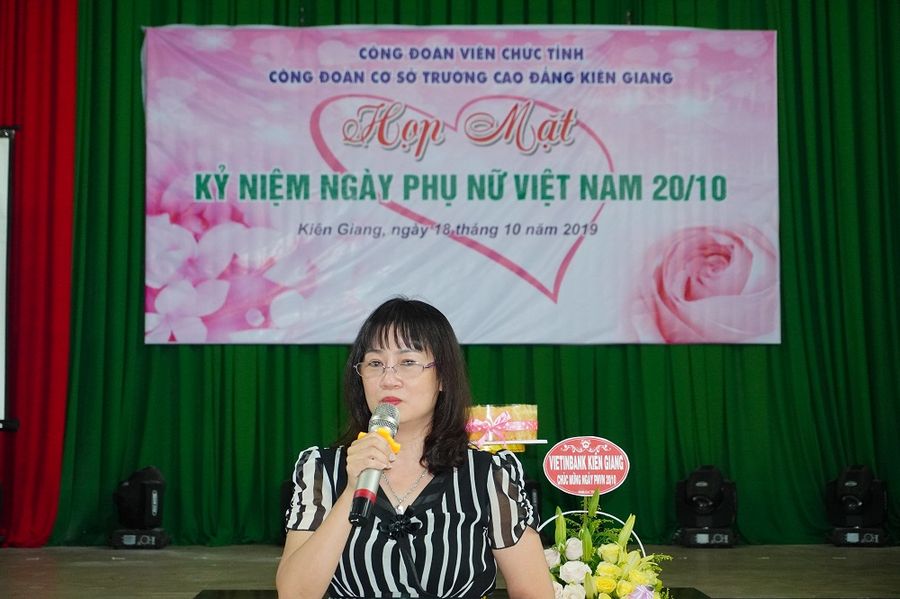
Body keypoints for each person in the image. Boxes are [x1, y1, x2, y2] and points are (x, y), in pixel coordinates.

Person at [277, 297, 554, 599]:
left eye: (407, 362)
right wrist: (352, 490)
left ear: (443, 377)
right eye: (375, 363)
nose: (388, 379)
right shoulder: (322, 470)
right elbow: (295, 594)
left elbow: (534, 591)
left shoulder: (488, 475)